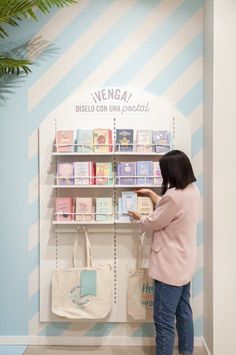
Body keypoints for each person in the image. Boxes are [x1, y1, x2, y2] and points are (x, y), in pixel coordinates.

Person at [128, 150, 200, 355]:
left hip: (169, 267)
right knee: (184, 312)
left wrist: (138, 217)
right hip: (184, 264)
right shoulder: (192, 191)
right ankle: (186, 352)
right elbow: (171, 210)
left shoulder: (174, 197)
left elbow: (154, 221)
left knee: (163, 320)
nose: (163, 175)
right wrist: (152, 195)